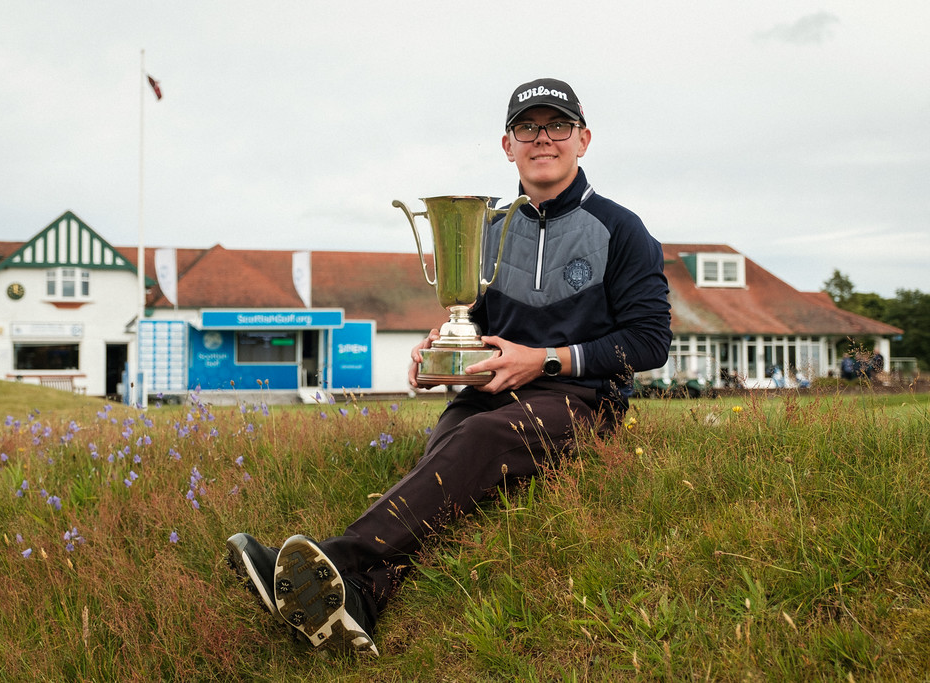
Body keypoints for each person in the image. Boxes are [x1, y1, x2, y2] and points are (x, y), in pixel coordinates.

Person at [225, 77, 672, 656]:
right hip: (488, 393)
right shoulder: (484, 230)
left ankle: (340, 560)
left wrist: (545, 360)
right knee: (450, 451)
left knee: (480, 438)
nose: (543, 139)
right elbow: (472, 321)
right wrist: (439, 350)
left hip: (579, 399)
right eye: (527, 127)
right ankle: (363, 598)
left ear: (582, 140)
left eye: (556, 126)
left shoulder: (623, 229)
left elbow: (650, 341)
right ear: (506, 145)